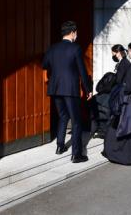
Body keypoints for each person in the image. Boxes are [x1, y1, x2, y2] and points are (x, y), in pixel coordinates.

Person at [42, 21, 92, 163]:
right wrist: (88, 89)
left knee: (63, 116)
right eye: (76, 32)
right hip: (70, 89)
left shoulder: (53, 48)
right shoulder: (75, 48)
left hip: (55, 89)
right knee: (76, 121)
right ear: (72, 32)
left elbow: (45, 64)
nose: (76, 35)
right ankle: (76, 154)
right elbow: (82, 71)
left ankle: (60, 146)